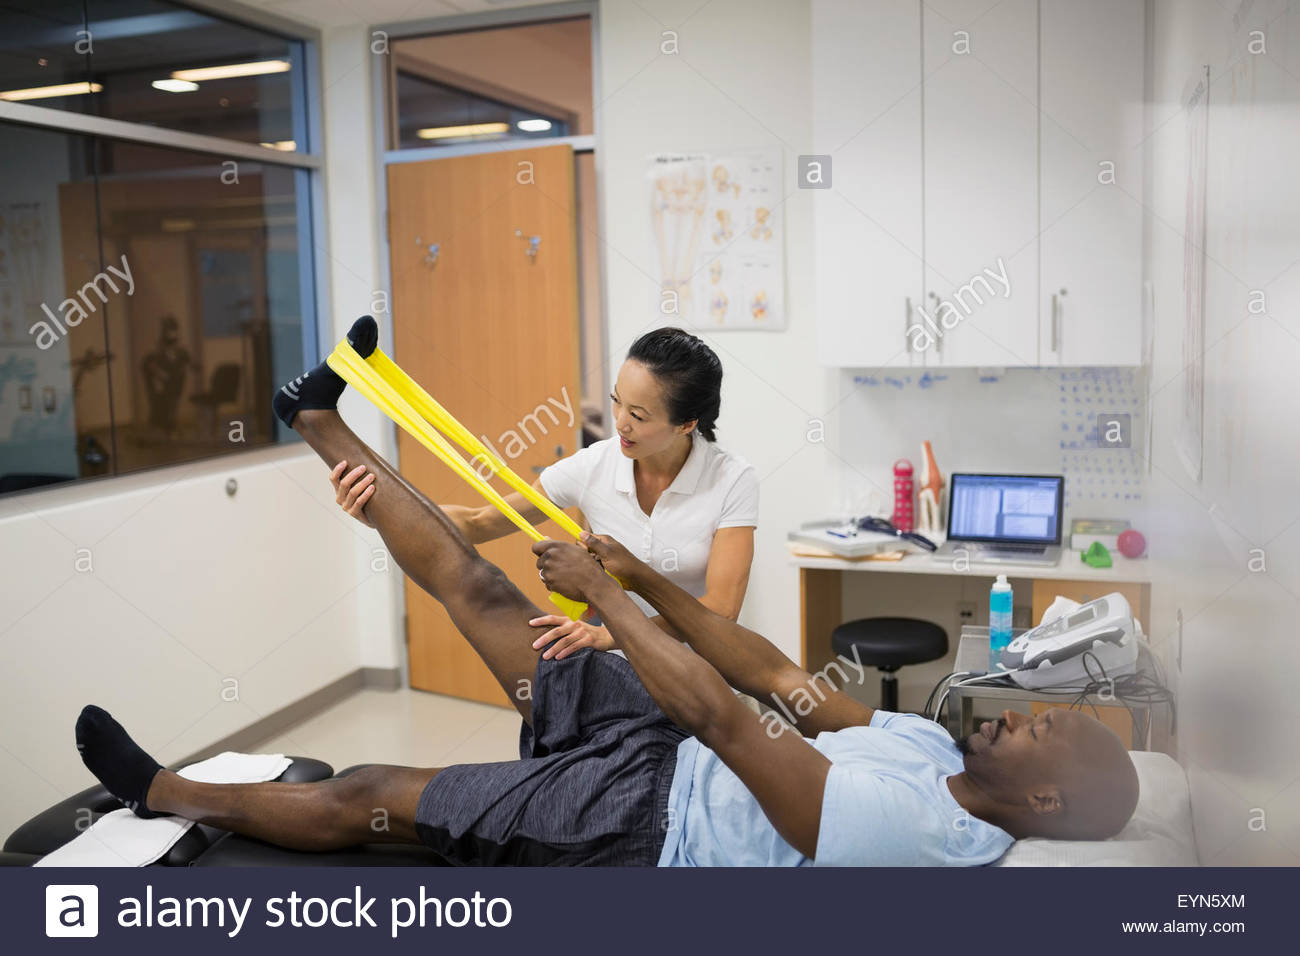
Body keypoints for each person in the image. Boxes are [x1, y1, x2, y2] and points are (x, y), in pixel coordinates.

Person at [71, 321, 1140, 866]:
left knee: (372, 784)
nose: (1014, 710)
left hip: (648, 817)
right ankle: (316, 419)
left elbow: (726, 712)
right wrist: (622, 580)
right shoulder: (928, 751)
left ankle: (167, 792)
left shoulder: (910, 830)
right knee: (480, 587)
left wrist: (608, 600)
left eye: (1041, 728)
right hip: (662, 719)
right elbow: (769, 670)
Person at [327, 324, 758, 661]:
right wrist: (379, 510)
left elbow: (721, 608)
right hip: (615, 667)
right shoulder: (593, 466)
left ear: (687, 424)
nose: (620, 423)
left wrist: (611, 636)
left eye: (639, 415)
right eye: (616, 402)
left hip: (703, 670)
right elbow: (480, 522)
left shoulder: (731, 480)